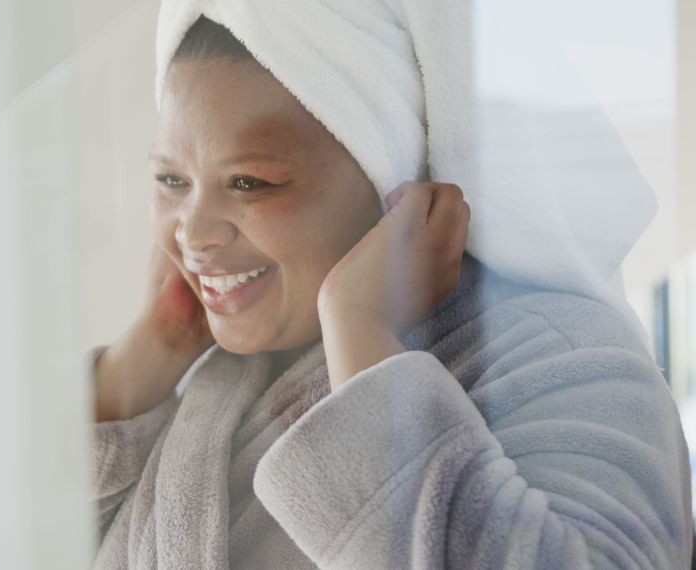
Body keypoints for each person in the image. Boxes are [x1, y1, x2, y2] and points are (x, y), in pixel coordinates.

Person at [89, 12, 692, 570]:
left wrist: (360, 331)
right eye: (171, 179)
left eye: (249, 181)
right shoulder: (217, 387)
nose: (191, 230)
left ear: (390, 178)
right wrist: (149, 352)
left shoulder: (569, 356)